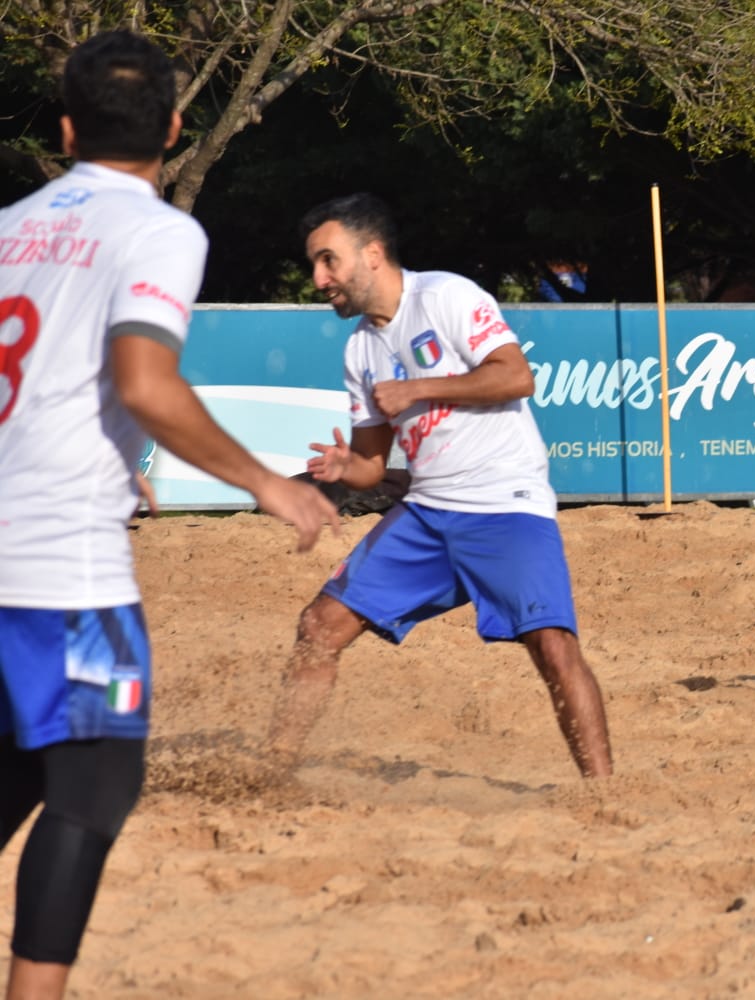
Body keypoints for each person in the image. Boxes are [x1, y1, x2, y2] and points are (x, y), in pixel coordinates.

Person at [0, 30, 339, 1000]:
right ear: (179, 129)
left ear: (66, 127)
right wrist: (267, 483)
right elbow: (147, 383)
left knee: (26, 772)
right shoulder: (158, 229)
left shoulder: (11, 224)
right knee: (95, 782)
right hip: (62, 570)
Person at [264, 193, 613, 780]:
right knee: (318, 627)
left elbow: (515, 377)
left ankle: (603, 794)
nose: (319, 278)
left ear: (372, 254)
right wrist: (344, 467)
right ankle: (270, 774)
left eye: (329, 261)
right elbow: (375, 468)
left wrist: (421, 388)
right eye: (315, 265)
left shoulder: (445, 296)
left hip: (505, 505)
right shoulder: (360, 350)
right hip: (428, 511)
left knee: (553, 646)